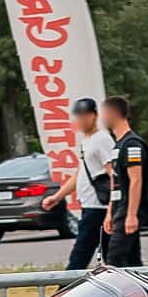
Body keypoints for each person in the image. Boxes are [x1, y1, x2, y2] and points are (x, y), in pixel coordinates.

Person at [101, 94, 148, 268]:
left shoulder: (132, 144)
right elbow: (115, 182)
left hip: (128, 209)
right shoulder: (118, 145)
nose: (101, 118)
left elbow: (136, 180)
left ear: (113, 114)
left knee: (114, 260)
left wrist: (132, 214)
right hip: (119, 208)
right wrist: (109, 213)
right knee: (132, 261)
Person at [60, 95, 110, 270]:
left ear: (94, 116)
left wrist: (113, 207)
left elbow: (113, 174)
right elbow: (80, 174)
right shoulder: (86, 141)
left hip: (100, 207)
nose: (81, 119)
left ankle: (66, 285)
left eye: (85, 115)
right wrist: (57, 197)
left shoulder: (102, 139)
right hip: (90, 206)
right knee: (111, 254)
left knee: (81, 254)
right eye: (78, 115)